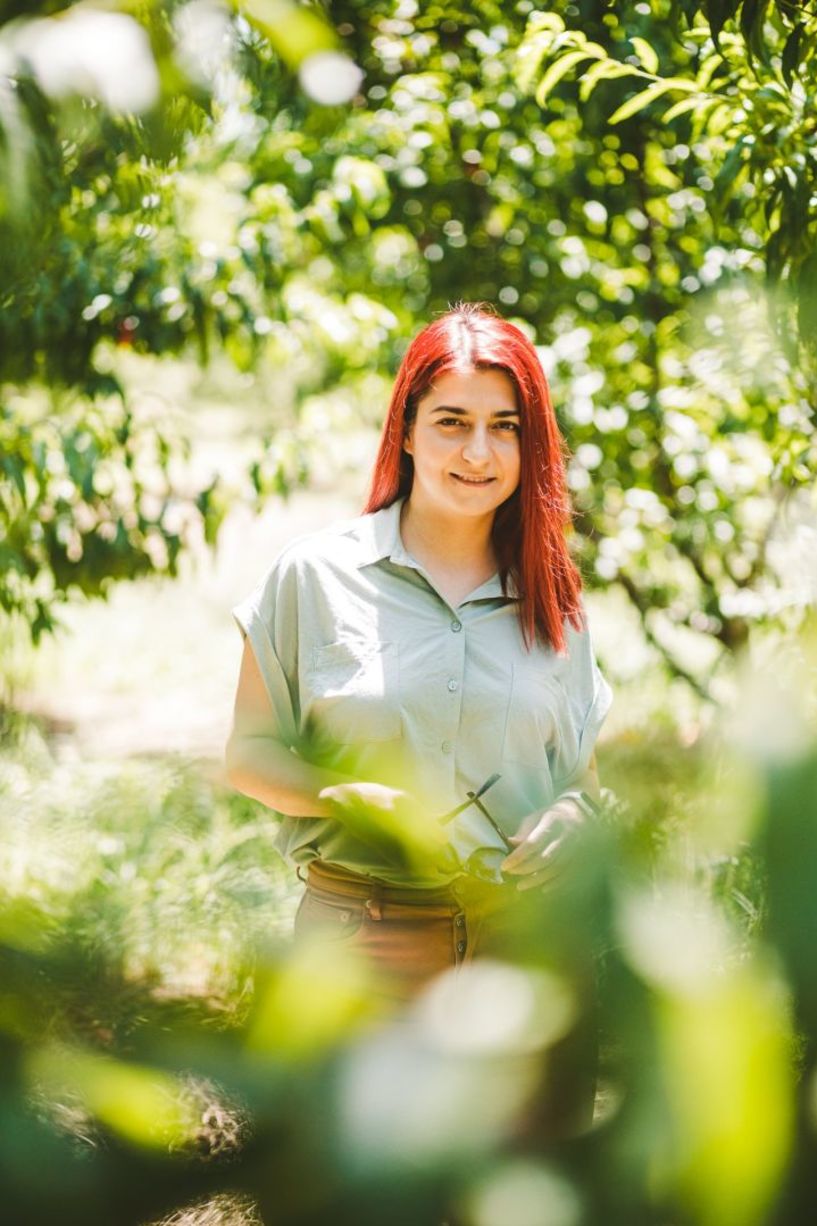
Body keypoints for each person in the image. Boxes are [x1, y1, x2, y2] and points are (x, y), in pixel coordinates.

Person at [226, 302, 613, 1135]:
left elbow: (579, 781)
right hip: (361, 950)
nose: (478, 452)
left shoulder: (557, 598)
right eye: (451, 422)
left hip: (529, 965)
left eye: (504, 427)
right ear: (405, 430)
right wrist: (344, 798)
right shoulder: (314, 578)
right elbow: (250, 754)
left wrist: (575, 816)